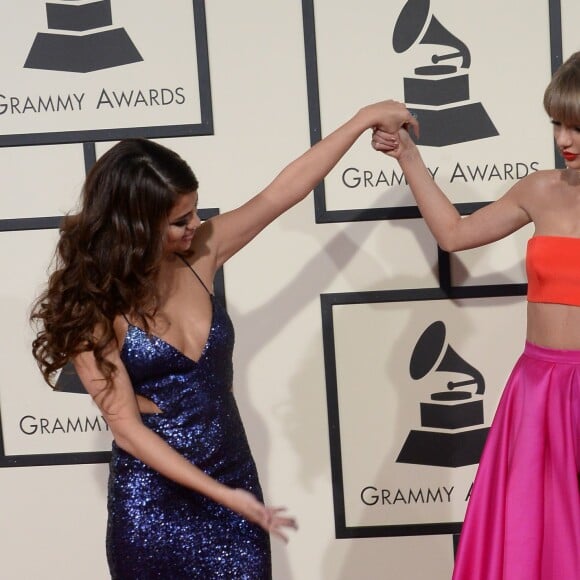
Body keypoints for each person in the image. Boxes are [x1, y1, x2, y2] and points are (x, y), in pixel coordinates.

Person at [30, 101, 417, 579]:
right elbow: (127, 429)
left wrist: (364, 119)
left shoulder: (201, 254)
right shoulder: (93, 307)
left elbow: (283, 192)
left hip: (231, 478)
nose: (196, 225)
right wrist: (222, 495)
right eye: (179, 221)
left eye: (194, 211)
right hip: (153, 506)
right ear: (136, 227)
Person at [371, 53, 580, 579]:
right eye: (557, 124)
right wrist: (409, 157)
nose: (564, 140)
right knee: (534, 537)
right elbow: (455, 235)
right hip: (537, 388)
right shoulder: (539, 190)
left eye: (578, 127)